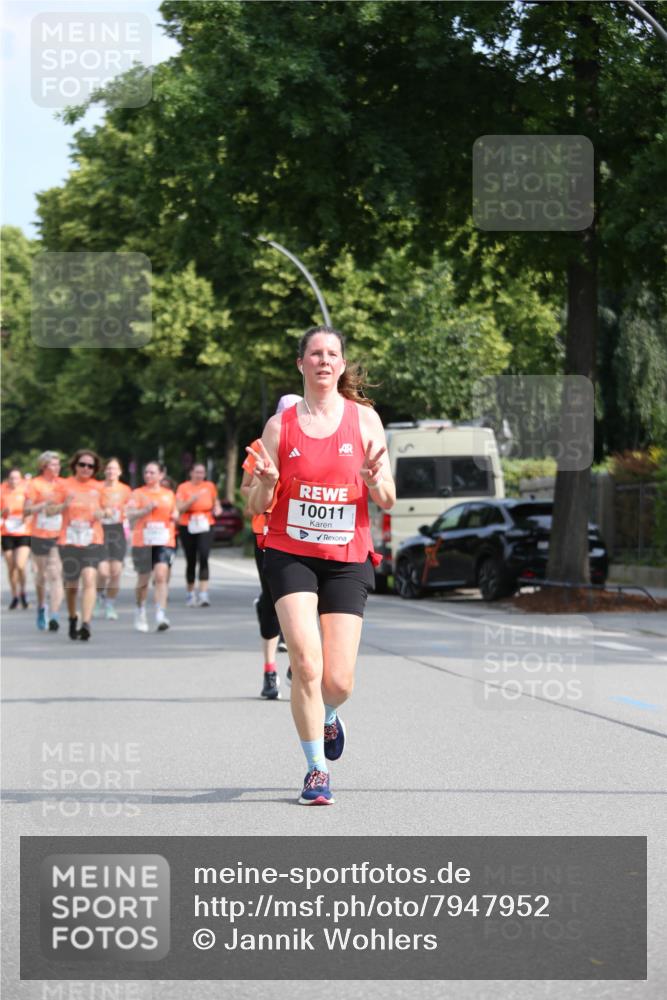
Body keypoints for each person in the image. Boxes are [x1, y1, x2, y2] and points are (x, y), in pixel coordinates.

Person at [246, 326, 395, 805]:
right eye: (315, 353)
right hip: (290, 551)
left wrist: (375, 481)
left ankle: (328, 713)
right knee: (307, 665)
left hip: (347, 556)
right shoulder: (280, 426)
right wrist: (267, 483)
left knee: (339, 681)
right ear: (301, 364)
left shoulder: (366, 421)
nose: (325, 361)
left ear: (342, 364)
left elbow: (388, 500)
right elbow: (254, 500)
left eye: (333, 354)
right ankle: (315, 771)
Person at [241, 394, 301, 700]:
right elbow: (245, 488)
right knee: (272, 601)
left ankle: (296, 663)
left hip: (299, 534)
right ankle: (270, 671)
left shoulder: (312, 442)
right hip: (266, 532)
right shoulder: (260, 447)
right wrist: (265, 486)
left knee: (300, 603)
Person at [49, 450, 106, 640]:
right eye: (82, 464)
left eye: (90, 466)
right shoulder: (63, 485)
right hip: (69, 539)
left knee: (90, 578)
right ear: (75, 465)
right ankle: (73, 617)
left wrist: (102, 514)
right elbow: (49, 510)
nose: (86, 469)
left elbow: (109, 511)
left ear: (95, 469)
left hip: (92, 538)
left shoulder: (99, 487)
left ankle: (86, 623)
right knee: (72, 586)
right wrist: (63, 506)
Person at [127, 461, 177, 632]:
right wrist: (145, 510)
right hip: (143, 540)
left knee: (161, 575)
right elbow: (129, 515)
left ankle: (160, 614)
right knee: (143, 579)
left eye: (152, 472)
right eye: (146, 472)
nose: (148, 475)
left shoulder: (168, 494)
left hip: (164, 539)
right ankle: (140, 609)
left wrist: (176, 515)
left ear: (161, 475)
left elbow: (175, 511)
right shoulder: (137, 493)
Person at [24, 451, 65, 630]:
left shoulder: (63, 485)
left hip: (58, 534)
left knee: (55, 573)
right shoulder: (35, 484)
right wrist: (42, 505)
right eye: (53, 465)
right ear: (44, 467)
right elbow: (26, 510)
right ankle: (42, 607)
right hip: (39, 534)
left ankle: (54, 614)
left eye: (58, 465)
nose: (57, 468)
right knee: (42, 575)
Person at [175, 463, 222, 607]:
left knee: (204, 555)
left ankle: (203, 593)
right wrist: (191, 500)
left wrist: (218, 509)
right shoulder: (183, 487)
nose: (200, 475)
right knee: (191, 559)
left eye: (202, 473)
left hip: (205, 523)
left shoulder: (209, 486)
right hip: (187, 524)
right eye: (197, 472)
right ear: (191, 473)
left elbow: (216, 503)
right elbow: (178, 508)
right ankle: (190, 593)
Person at [97, 458, 132, 620]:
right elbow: (91, 507)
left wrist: (128, 510)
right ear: (105, 471)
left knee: (116, 571)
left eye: (114, 469)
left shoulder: (126, 489)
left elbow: (131, 508)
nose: (111, 472)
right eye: (109, 469)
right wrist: (103, 512)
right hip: (100, 530)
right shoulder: (97, 488)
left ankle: (110, 604)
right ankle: (98, 595)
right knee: (103, 572)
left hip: (117, 530)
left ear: (120, 472)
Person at [1, 468, 31, 610]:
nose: (14, 481)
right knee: (11, 566)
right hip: (7, 532)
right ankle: (14, 595)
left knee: (20, 565)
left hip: (23, 532)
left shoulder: (25, 491)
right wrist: (3, 512)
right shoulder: (2, 491)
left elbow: (31, 511)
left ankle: (23, 591)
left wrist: (27, 516)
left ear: (20, 479)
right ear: (8, 479)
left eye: (16, 478)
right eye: (12, 478)